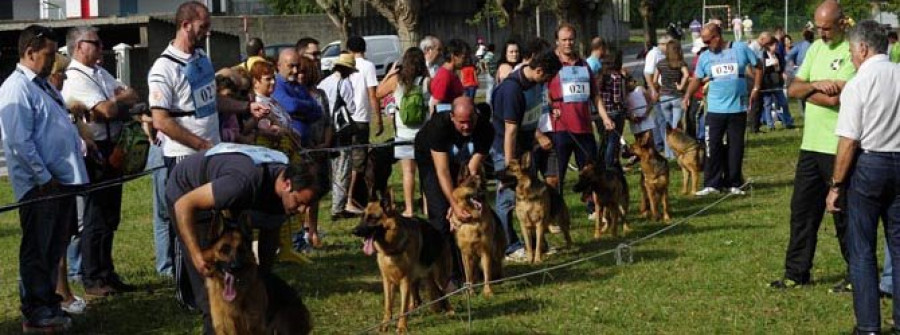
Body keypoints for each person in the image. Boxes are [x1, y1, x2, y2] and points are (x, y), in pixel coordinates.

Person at [148, 0, 269, 310]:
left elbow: (210, 101)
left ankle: (219, 285)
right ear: (186, 25)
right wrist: (200, 145)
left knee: (213, 226)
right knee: (188, 225)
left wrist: (245, 108)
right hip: (184, 157)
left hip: (212, 153)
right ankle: (190, 295)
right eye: (203, 26)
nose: (208, 31)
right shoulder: (163, 67)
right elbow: (161, 120)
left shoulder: (201, 58)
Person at [166, 144, 318, 335]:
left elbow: (269, 236)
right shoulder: (241, 183)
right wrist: (196, 255)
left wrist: (263, 277)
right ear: (286, 185)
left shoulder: (284, 191)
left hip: (230, 194)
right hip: (188, 193)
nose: (302, 211)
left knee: (252, 286)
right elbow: (183, 205)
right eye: (300, 203)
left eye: (307, 205)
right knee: (211, 296)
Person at [0, 24, 89, 332]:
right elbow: (19, 141)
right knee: (38, 248)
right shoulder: (15, 87)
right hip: (41, 187)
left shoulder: (42, 85)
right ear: (29, 52)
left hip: (59, 182)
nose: (53, 61)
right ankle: (36, 309)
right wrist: (43, 177)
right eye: (48, 54)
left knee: (53, 247)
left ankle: (49, 302)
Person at [769, 0, 856, 293]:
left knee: (843, 214)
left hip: (838, 146)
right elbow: (793, 88)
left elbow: (837, 99)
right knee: (802, 212)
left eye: (827, 28)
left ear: (841, 23)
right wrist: (817, 85)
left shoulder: (852, 52)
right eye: (818, 28)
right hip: (811, 147)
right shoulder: (816, 48)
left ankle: (856, 274)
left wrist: (809, 91)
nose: (822, 33)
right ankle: (796, 272)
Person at [824, 20, 900, 335]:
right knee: (898, 245)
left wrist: (836, 185)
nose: (853, 58)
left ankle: (869, 325)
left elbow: (848, 142)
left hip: (870, 164)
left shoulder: (859, 82)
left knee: (862, 248)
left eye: (853, 51)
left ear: (863, 48)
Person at [61, 25, 140, 298]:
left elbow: (133, 94)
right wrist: (115, 101)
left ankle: (107, 271)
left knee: (110, 215)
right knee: (95, 215)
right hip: (95, 150)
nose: (101, 46)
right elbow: (106, 110)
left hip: (114, 145)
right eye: (95, 42)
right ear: (79, 46)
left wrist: (113, 101)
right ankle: (92, 276)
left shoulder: (100, 73)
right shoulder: (75, 77)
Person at [491, 48, 562, 261]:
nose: (549, 82)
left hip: (525, 150)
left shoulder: (536, 84)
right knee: (507, 200)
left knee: (533, 196)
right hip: (508, 151)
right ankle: (511, 246)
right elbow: (510, 132)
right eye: (548, 77)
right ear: (539, 70)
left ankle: (537, 245)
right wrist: (509, 166)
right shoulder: (513, 90)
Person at [415, 97, 493, 281]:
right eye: (462, 123)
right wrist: (454, 204)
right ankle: (445, 274)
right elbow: (442, 171)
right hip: (431, 161)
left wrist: (460, 198)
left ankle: (469, 272)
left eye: (470, 121)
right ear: (452, 117)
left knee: (466, 211)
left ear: (476, 115)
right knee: (441, 215)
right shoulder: (438, 128)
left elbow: (472, 170)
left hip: (459, 163)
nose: (467, 126)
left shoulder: (486, 129)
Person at [682, 23, 761, 197]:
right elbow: (697, 78)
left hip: (737, 109)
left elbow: (758, 65)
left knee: (735, 147)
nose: (706, 45)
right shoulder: (705, 57)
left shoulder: (740, 48)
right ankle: (712, 183)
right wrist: (687, 94)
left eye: (708, 41)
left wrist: (756, 87)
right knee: (712, 146)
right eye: (704, 42)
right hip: (715, 110)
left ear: (717, 37)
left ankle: (733, 182)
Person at [44, 53, 88, 317]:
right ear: (52, 75)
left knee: (63, 237)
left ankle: (63, 291)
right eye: (63, 74)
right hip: (54, 179)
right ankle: (60, 294)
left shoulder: (56, 98)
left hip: (68, 176)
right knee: (56, 241)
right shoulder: (46, 97)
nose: (65, 79)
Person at [376, 47, 431, 218]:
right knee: (426, 172)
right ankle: (427, 207)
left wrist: (390, 73)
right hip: (424, 134)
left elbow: (378, 93)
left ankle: (409, 208)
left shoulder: (397, 80)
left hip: (403, 134)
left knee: (408, 173)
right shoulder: (426, 81)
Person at [318, 52, 357, 219]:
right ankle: (338, 208)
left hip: (324, 130)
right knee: (342, 168)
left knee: (331, 169)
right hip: (341, 132)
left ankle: (334, 204)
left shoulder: (324, 82)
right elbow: (352, 107)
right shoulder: (344, 83)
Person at [652, 39, 690, 157]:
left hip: (664, 97)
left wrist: (658, 88)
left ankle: (668, 153)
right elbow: (687, 74)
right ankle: (676, 152)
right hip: (676, 97)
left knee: (667, 126)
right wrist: (681, 85)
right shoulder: (680, 63)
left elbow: (654, 80)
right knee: (675, 127)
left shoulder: (661, 63)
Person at [598, 50, 628, 168]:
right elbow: (617, 99)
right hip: (616, 112)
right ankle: (609, 165)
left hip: (604, 112)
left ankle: (606, 163)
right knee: (613, 141)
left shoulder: (601, 75)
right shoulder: (616, 77)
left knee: (605, 141)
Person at [759, 39, 795, 130]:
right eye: (774, 45)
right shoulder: (763, 55)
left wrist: (783, 73)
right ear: (769, 46)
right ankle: (770, 125)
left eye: (777, 45)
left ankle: (788, 122)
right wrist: (771, 63)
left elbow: (782, 67)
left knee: (783, 102)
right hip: (767, 84)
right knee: (768, 104)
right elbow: (762, 68)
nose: (776, 47)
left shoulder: (778, 55)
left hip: (777, 83)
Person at [430, 38, 468, 113]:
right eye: (463, 58)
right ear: (453, 56)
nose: (466, 61)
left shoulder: (452, 73)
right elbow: (435, 105)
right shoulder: (444, 76)